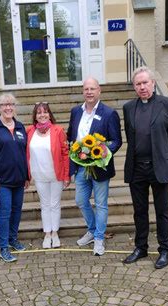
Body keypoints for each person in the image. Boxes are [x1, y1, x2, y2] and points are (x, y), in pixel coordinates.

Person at [122, 66, 168, 269]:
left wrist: (161, 155)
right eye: (138, 84)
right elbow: (130, 135)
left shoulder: (167, 104)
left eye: (145, 82)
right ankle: (141, 247)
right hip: (137, 167)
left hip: (158, 166)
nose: (142, 87)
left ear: (153, 83)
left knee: (162, 211)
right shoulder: (129, 108)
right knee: (140, 211)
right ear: (134, 87)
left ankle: (164, 249)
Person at [67, 77, 122, 256]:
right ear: (83, 91)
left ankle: (99, 238)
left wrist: (104, 150)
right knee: (80, 201)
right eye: (86, 89)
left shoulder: (109, 113)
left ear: (99, 91)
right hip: (81, 166)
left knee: (101, 204)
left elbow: (117, 140)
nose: (89, 92)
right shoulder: (76, 112)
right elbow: (71, 137)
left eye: (92, 89)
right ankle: (92, 230)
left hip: (99, 166)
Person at [0, 93, 29, 263]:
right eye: (4, 105)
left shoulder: (20, 127)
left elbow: (25, 154)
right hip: (2, 182)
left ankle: (12, 239)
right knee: (4, 213)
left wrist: (27, 176)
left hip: (19, 179)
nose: (8, 108)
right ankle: (3, 247)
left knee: (16, 212)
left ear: (15, 107)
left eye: (11, 104)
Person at [26, 102, 70, 249]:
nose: (42, 115)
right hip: (39, 175)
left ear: (50, 114)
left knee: (54, 203)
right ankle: (47, 234)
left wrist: (66, 175)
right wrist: (27, 176)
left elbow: (65, 153)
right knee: (45, 205)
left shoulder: (58, 130)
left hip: (55, 174)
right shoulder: (29, 131)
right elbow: (25, 154)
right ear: (35, 116)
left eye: (45, 112)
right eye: (39, 112)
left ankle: (55, 233)